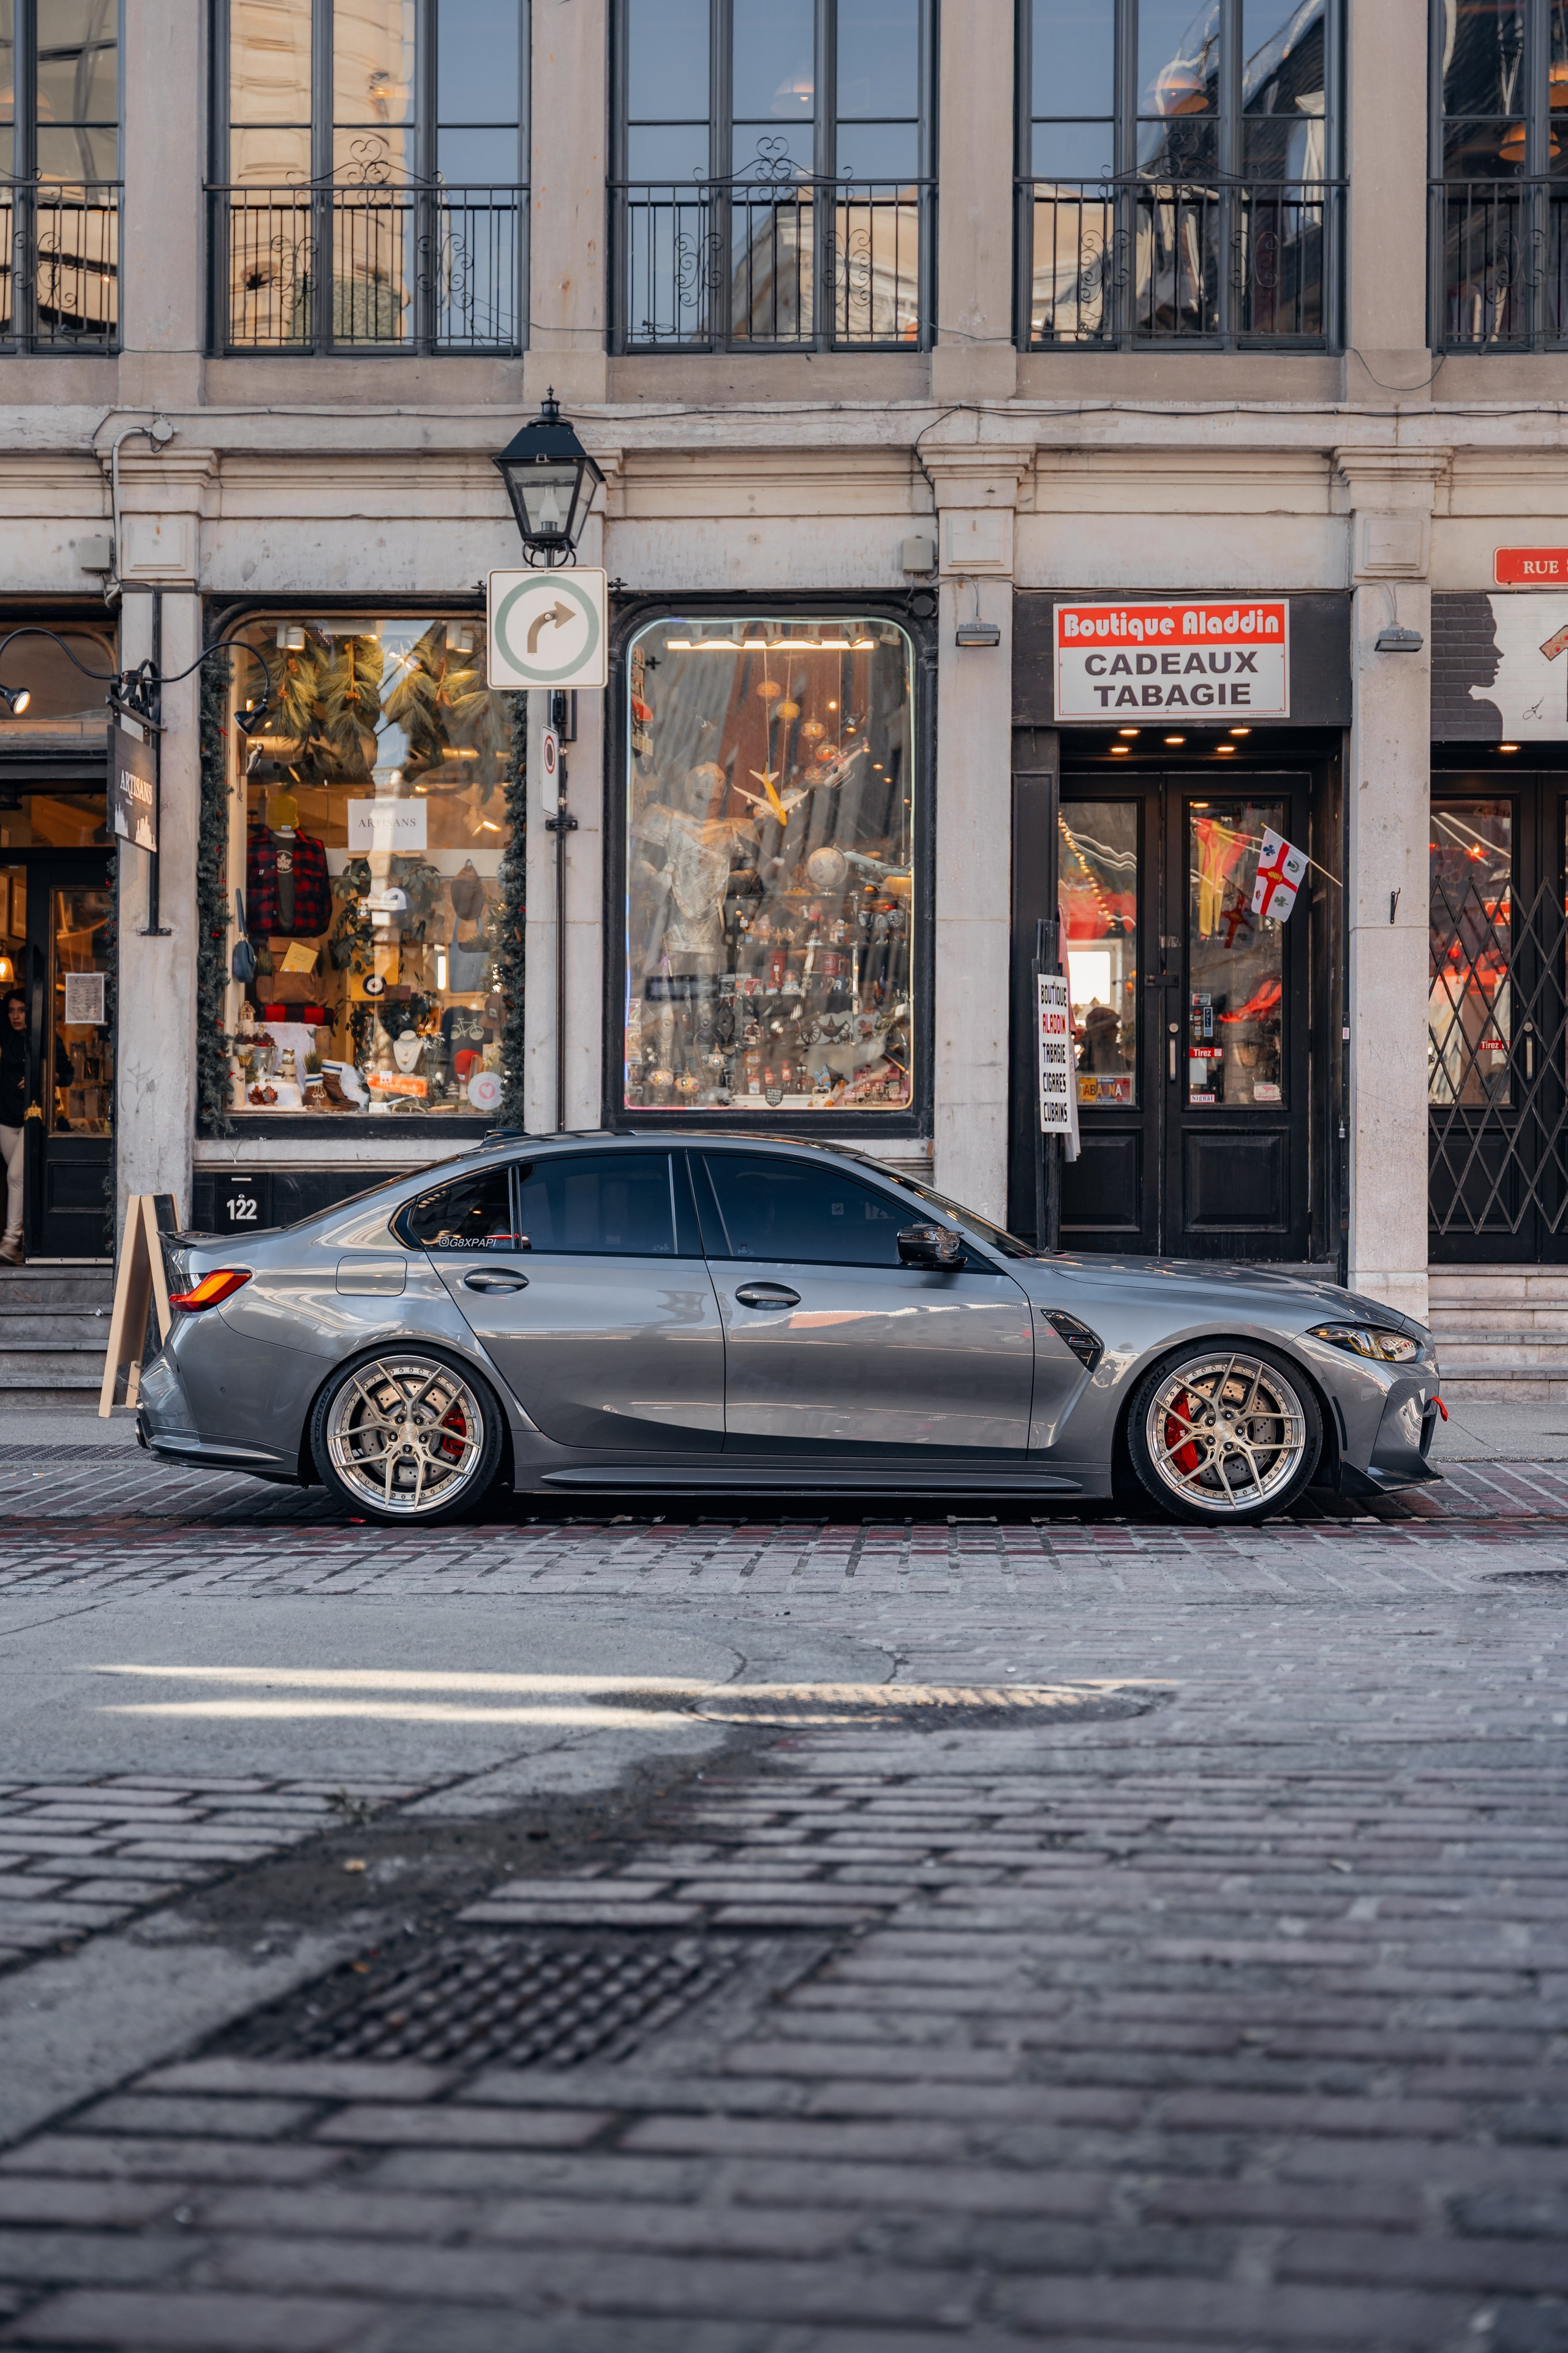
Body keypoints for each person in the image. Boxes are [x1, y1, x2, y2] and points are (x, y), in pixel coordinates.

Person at [1, 989, 27, 1264]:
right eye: (11, 1010)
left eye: (21, 1010)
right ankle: (28, 1241)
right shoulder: (6, 1037)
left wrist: (42, 1075)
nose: (16, 1016)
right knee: (21, 1182)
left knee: (16, 1177)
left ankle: (10, 1241)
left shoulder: (42, 1039)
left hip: (32, 1119)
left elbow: (65, 1075)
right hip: (5, 1122)